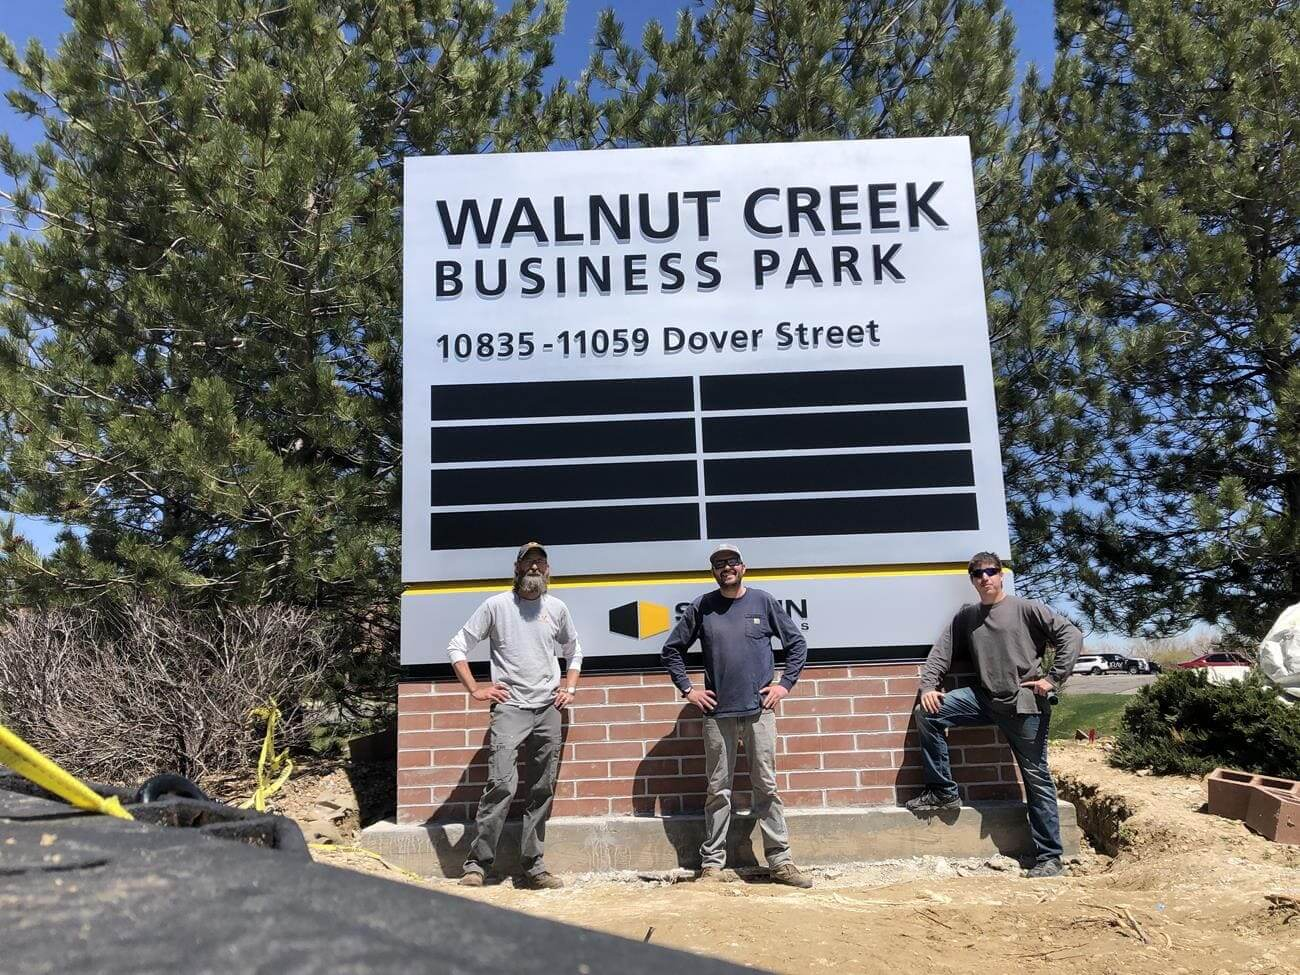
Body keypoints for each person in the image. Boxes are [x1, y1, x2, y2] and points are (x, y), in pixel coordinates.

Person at [908, 551, 1083, 878]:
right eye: (977, 574)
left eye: (990, 571)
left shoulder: (1026, 609)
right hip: (983, 699)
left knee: (1036, 778)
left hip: (1024, 704)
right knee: (929, 713)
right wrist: (929, 686)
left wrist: (1053, 678)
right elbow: (940, 654)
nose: (985, 578)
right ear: (972, 580)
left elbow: (1071, 635)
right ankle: (943, 792)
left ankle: (1050, 858)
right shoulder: (967, 617)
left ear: (1001, 575)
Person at [660, 543, 813, 888]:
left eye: (731, 562)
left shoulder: (763, 601)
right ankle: (712, 864)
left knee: (766, 787)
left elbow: (796, 644)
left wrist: (784, 685)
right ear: (713, 572)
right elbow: (671, 651)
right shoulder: (703, 607)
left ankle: (781, 861)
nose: (725, 567)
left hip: (760, 711)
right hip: (718, 714)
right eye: (719, 564)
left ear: (743, 567)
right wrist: (689, 690)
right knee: (718, 789)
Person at [447, 542, 583, 889]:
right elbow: (457, 645)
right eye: (529, 562)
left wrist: (568, 686)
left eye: (540, 562)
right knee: (501, 785)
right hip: (509, 709)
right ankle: (478, 865)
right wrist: (475, 689)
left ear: (548, 570)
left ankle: (533, 865)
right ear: (517, 567)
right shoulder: (496, 606)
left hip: (548, 709)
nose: (535, 567)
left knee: (541, 788)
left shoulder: (557, 608)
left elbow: (574, 649)